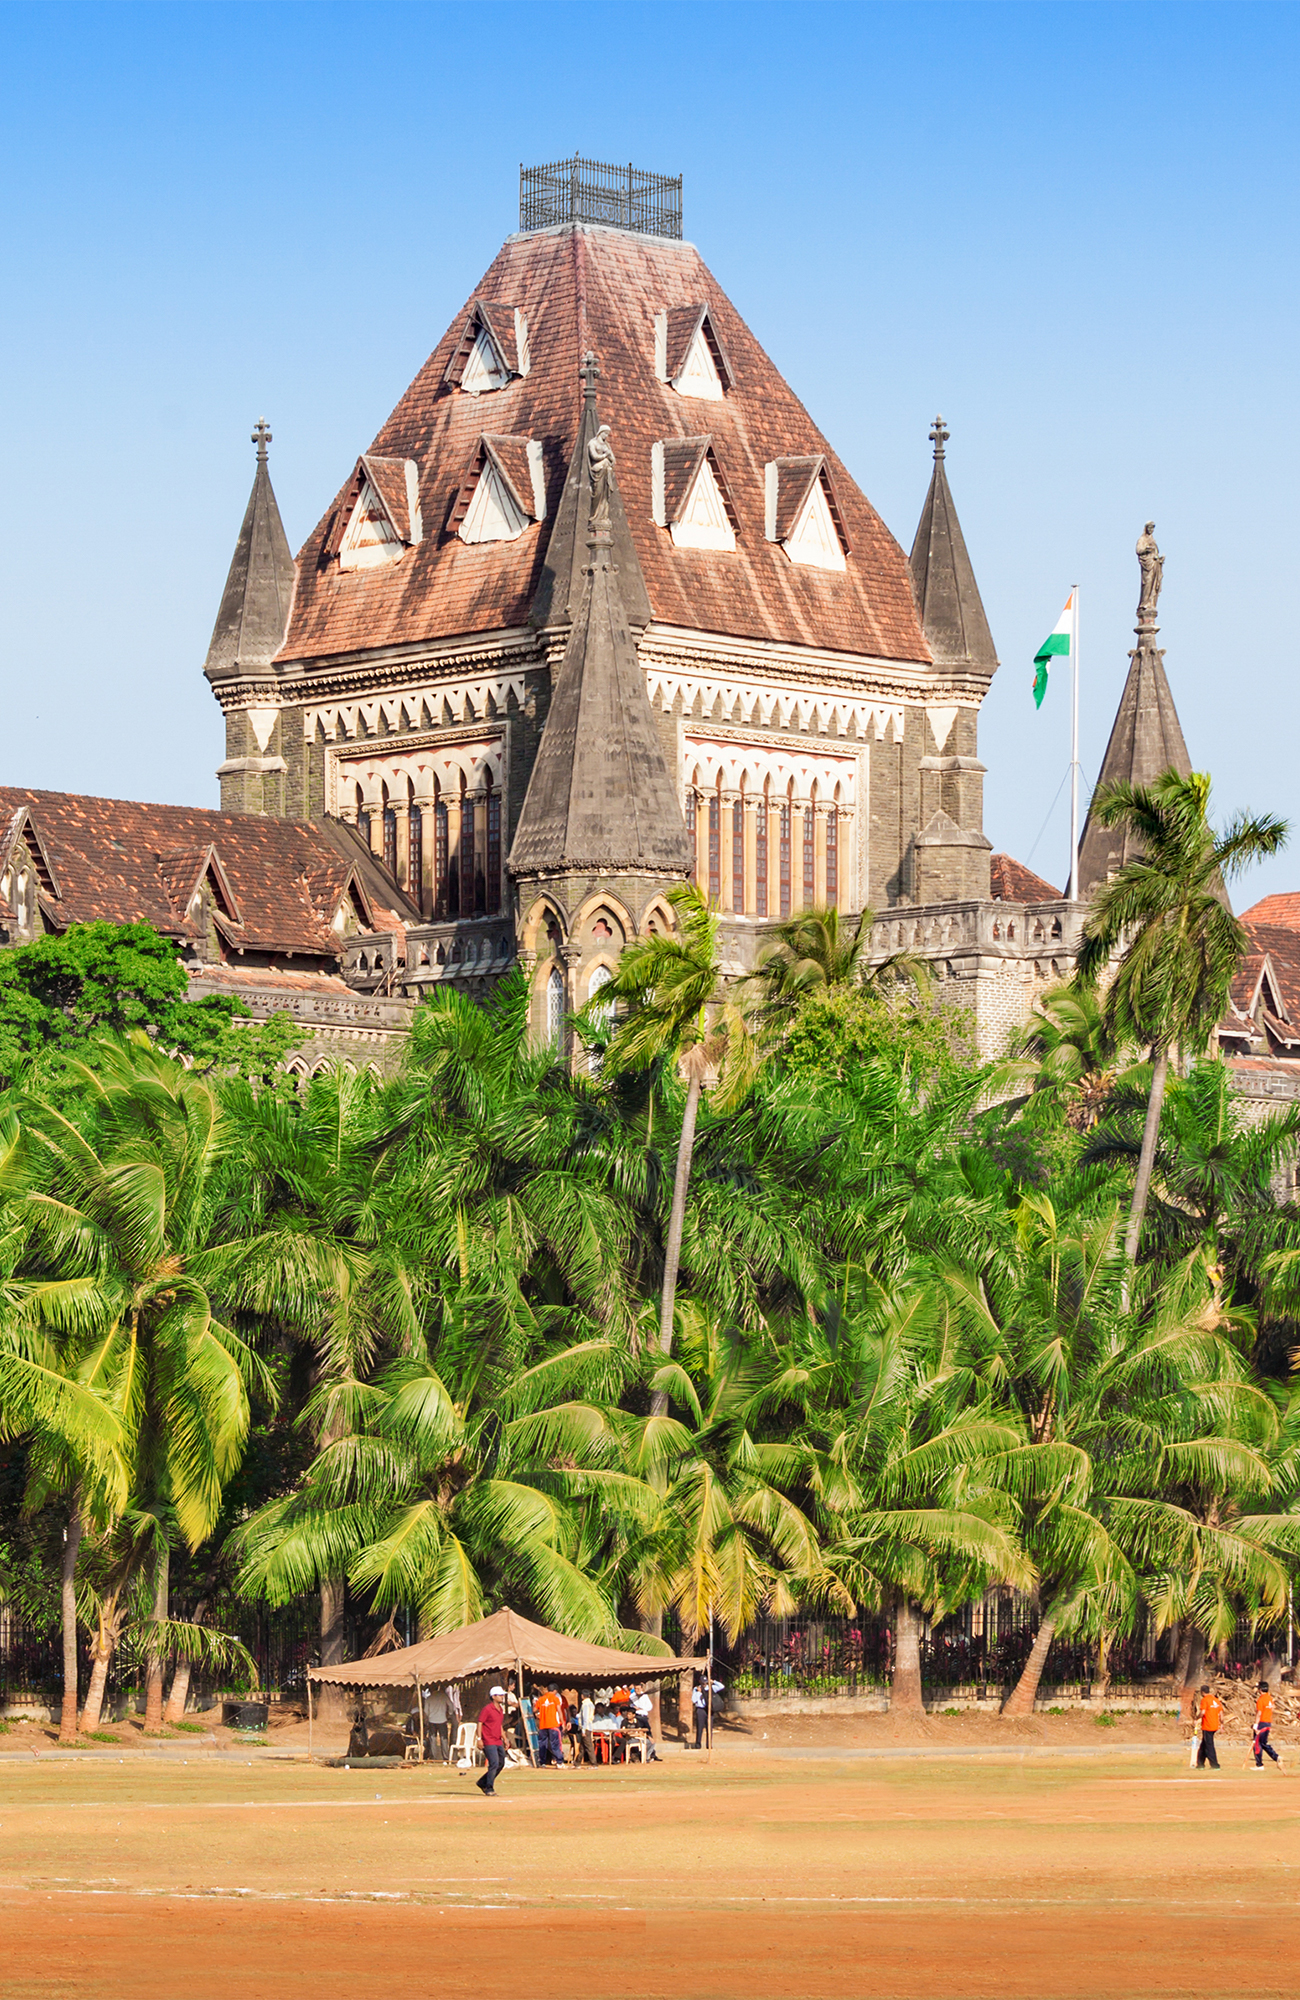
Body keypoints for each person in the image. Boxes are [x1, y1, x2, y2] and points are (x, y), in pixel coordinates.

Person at [476, 1686, 508, 1796]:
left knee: (501, 1763)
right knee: (494, 1763)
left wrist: (504, 1738)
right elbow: (480, 1723)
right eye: (500, 1695)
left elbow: (499, 1725)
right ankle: (489, 1787)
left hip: (498, 1740)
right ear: (493, 1697)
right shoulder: (487, 1709)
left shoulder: (500, 1710)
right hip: (488, 1740)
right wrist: (479, 1739)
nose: (502, 1697)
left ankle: (482, 1782)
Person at [533, 1684, 566, 1768]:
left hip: (543, 1725)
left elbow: (534, 1710)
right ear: (555, 1690)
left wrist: (538, 1711)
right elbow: (559, 1711)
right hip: (553, 1725)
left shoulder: (541, 1699)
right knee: (555, 1744)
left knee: (542, 1744)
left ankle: (542, 1762)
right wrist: (563, 1723)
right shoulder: (555, 1698)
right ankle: (559, 1762)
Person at [693, 1672, 724, 1750]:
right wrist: (698, 1693)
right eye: (703, 1683)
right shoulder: (696, 1689)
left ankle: (709, 1744)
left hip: (709, 1710)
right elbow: (693, 1700)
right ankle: (698, 1744)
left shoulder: (711, 1688)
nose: (704, 1684)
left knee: (709, 1728)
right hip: (700, 1710)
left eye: (705, 1682)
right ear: (700, 1682)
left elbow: (721, 1686)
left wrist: (713, 1682)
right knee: (699, 1727)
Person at [1254, 1680, 1282, 1769]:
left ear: (1260, 1689)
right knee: (1263, 1743)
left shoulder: (1261, 1699)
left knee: (1257, 1744)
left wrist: (1255, 1725)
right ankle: (1276, 1757)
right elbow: (1272, 1709)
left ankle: (1259, 1764)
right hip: (1268, 1722)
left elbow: (1259, 1713)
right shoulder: (1270, 1698)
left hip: (1262, 1723)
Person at [1196, 1684, 1224, 1769]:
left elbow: (1203, 1712)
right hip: (1215, 1725)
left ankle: (1215, 1764)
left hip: (1207, 1726)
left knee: (1209, 1746)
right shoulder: (1216, 1700)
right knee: (1204, 1745)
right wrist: (1222, 1724)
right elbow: (1221, 1713)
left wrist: (1196, 1718)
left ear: (1202, 1692)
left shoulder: (1205, 1700)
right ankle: (1200, 1764)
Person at [631, 1684, 661, 1761]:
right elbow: (632, 1706)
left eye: (638, 1688)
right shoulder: (632, 1696)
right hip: (637, 1716)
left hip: (644, 1717)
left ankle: (652, 1753)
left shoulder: (645, 1696)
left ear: (641, 1688)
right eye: (635, 1688)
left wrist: (640, 1708)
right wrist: (637, 1709)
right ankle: (639, 1754)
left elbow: (649, 1707)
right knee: (639, 1735)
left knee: (649, 1733)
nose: (637, 1690)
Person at [422, 1684, 450, 1763]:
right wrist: (449, 1714)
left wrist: (426, 1721)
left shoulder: (429, 1699)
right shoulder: (444, 1696)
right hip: (442, 1720)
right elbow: (451, 1706)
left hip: (432, 1721)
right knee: (444, 1739)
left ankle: (433, 1758)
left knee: (433, 1739)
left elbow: (426, 1712)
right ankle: (446, 1758)